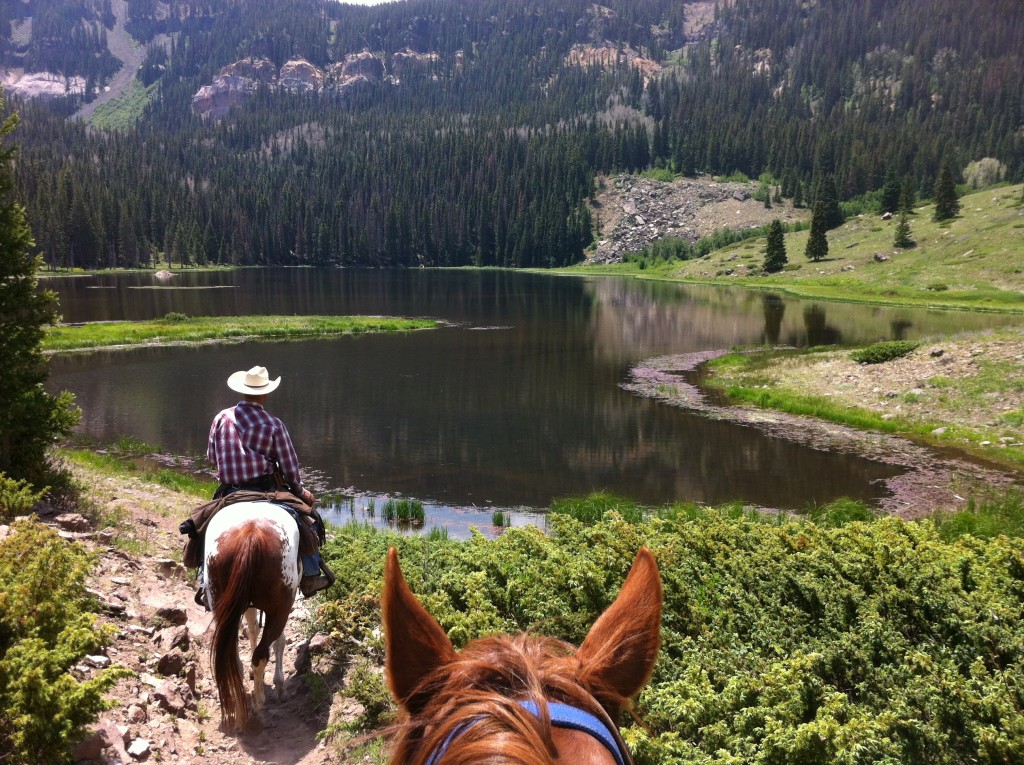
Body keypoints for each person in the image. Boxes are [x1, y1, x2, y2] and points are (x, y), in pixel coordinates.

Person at [204, 365, 332, 599]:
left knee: (203, 526)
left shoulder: (221, 418)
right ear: (265, 393)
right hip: (266, 490)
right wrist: (301, 492)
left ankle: (205, 579)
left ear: (243, 391)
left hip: (230, 492)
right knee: (308, 522)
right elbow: (290, 468)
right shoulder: (273, 424)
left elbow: (212, 458)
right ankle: (311, 576)